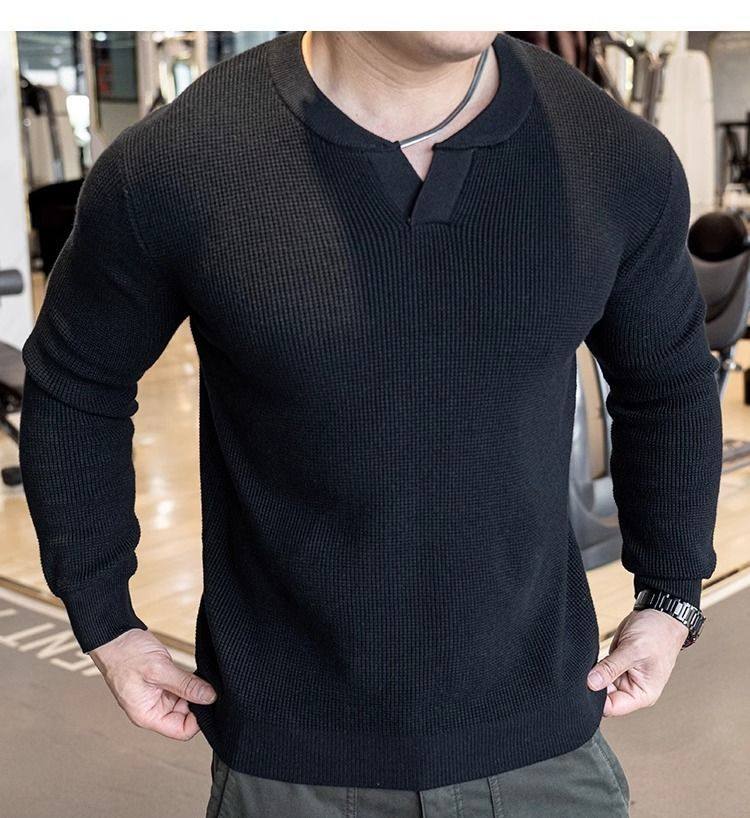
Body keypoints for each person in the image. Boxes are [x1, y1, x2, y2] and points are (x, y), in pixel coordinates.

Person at [19, 30, 722, 818]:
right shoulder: (180, 161)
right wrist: (106, 622)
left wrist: (672, 596)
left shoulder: (615, 157)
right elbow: (77, 381)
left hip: (543, 739)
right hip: (291, 758)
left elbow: (666, 382)